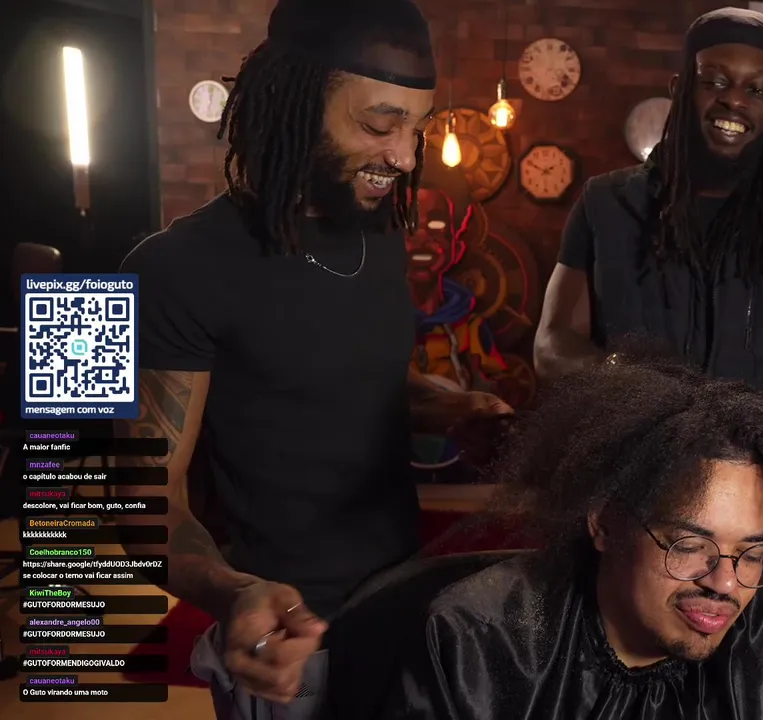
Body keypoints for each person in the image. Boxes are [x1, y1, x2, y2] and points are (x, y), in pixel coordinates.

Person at [113, 1, 511, 716]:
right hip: (294, 642)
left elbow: (351, 379)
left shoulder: (379, 235)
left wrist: (454, 408)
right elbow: (139, 500)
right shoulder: (170, 269)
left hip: (408, 612)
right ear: (291, 102)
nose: (405, 157)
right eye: (380, 125)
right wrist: (232, 592)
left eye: (417, 128)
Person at [389, 349, 763, 719]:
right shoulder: (476, 646)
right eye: (690, 545)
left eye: (751, 554)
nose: (726, 585)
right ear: (605, 523)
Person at [533, 7, 763, 424]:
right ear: (679, 89)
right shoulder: (604, 204)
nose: (734, 99)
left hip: (750, 460)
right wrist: (617, 376)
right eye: (715, 81)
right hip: (626, 454)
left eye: (757, 89)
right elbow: (551, 344)